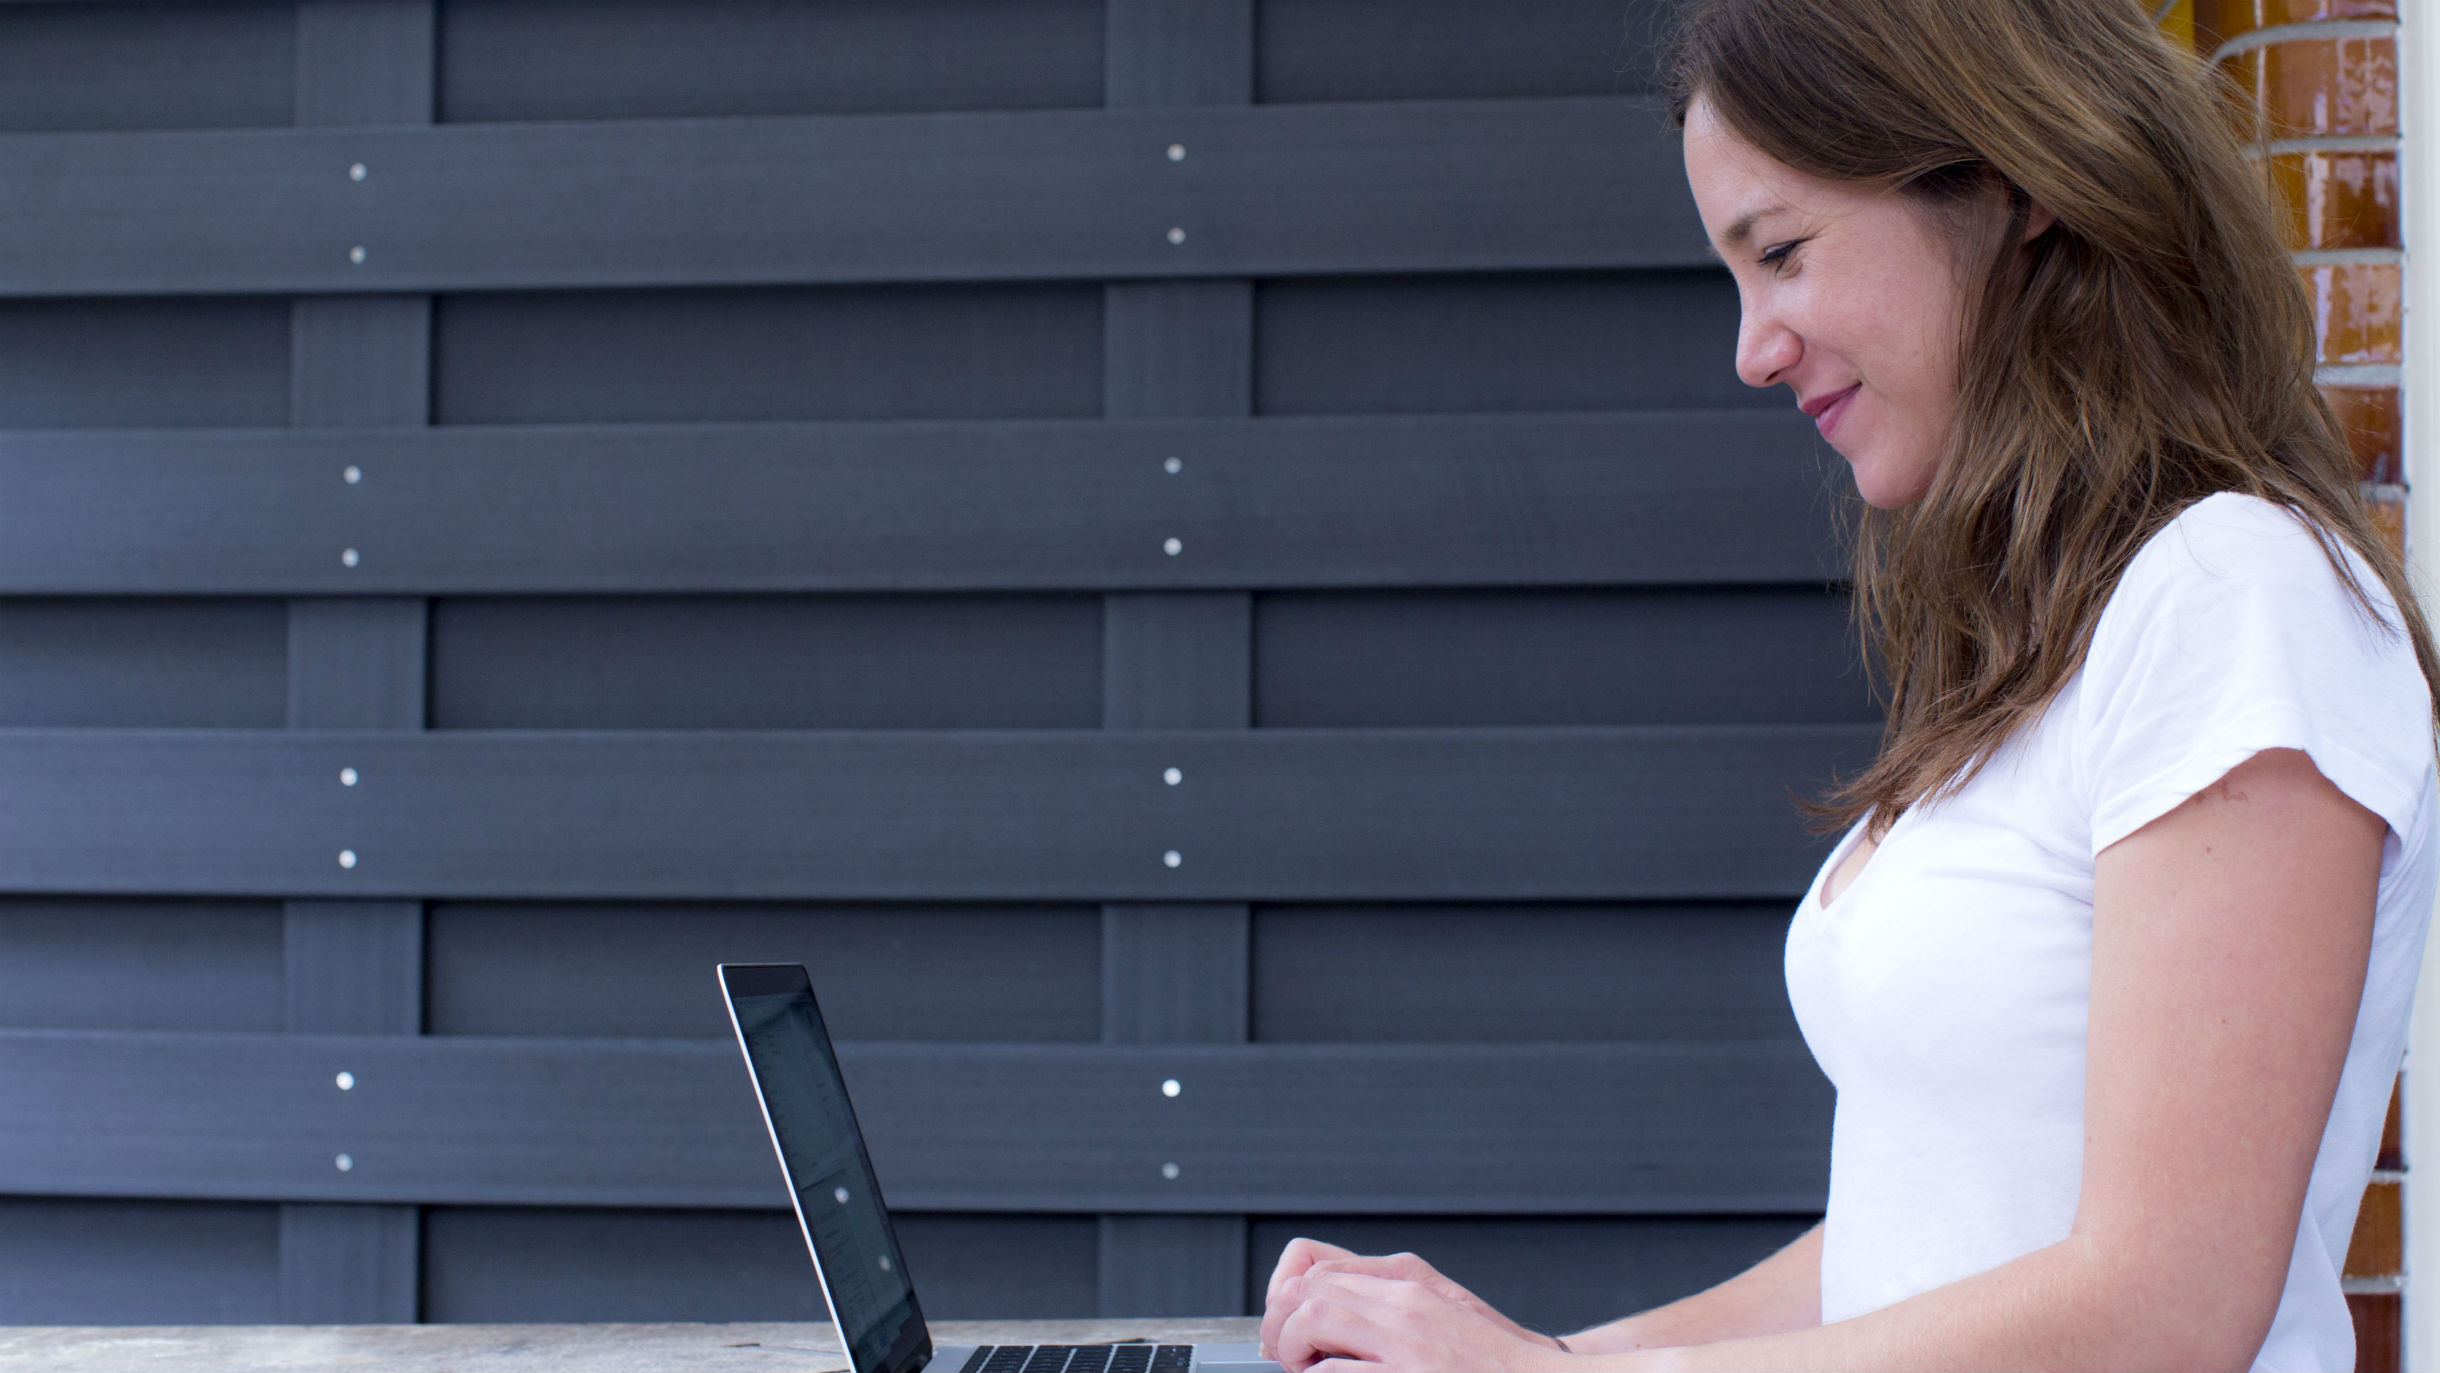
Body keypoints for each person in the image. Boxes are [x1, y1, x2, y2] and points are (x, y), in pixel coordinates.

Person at [1254, 0, 2440, 1368]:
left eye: (1785, 254)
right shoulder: (2055, 634)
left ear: (2007, 183)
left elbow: (2164, 1303)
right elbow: (1912, 1245)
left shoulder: (2238, 596)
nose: (1754, 346)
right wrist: (1558, 1356)